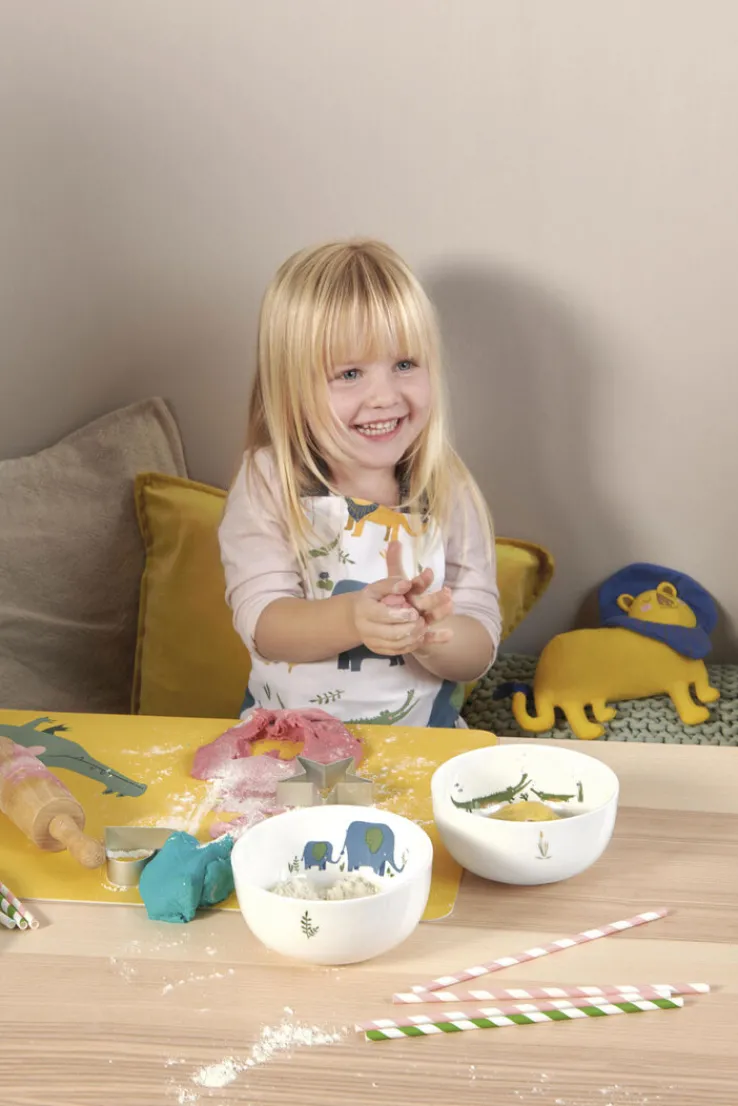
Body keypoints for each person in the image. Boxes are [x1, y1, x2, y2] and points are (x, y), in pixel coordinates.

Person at [219, 239, 501, 728]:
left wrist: (429, 634)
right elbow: (263, 624)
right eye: (349, 373)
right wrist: (354, 619)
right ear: (291, 390)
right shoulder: (270, 479)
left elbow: (480, 645)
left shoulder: (447, 487)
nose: (384, 396)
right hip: (288, 741)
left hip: (424, 744)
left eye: (405, 365)